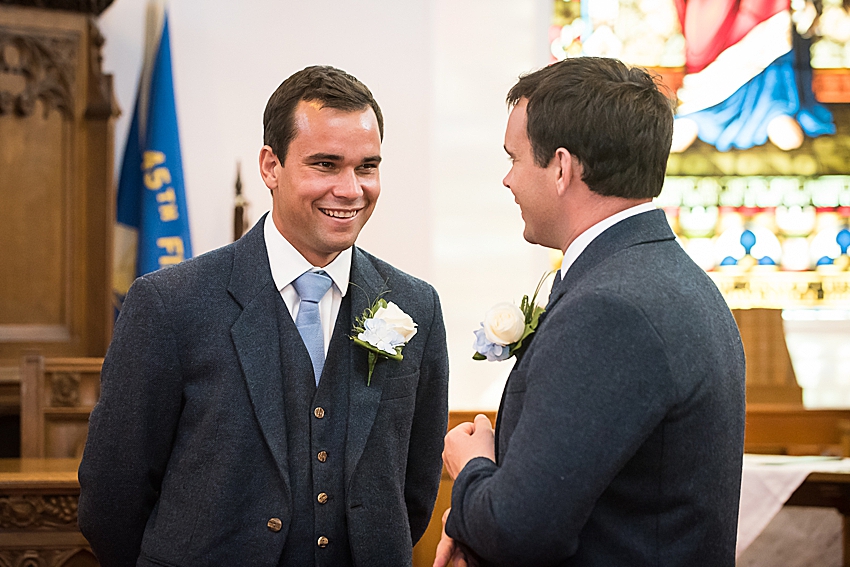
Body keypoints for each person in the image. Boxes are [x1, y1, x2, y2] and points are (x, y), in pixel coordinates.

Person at [79, 65, 449, 567]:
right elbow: (112, 495)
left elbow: (414, 489)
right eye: (325, 164)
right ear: (270, 166)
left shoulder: (415, 306)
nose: (351, 189)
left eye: (366, 167)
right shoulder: (169, 304)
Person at [435, 57, 746, 567]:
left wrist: (471, 470)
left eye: (514, 159)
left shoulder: (610, 309)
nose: (507, 181)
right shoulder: (679, 280)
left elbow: (521, 534)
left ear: (561, 167)